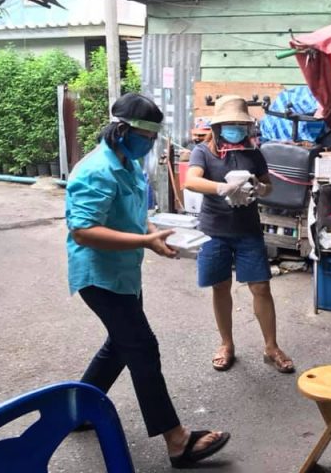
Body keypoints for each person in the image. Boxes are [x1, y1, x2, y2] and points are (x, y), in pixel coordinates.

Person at [66, 93, 230, 468]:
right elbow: (83, 231)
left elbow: (134, 214)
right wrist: (144, 241)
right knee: (141, 347)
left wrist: (153, 234)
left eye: (154, 136)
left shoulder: (128, 163)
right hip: (99, 276)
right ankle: (177, 441)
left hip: (124, 273)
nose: (150, 143)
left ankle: (78, 410)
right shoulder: (96, 171)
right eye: (145, 135)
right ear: (122, 130)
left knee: (120, 344)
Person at [184, 95, 294, 374]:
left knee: (261, 287)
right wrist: (222, 188)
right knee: (220, 286)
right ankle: (226, 344)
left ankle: (271, 347)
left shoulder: (254, 153)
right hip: (214, 230)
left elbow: (268, 186)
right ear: (218, 127)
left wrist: (259, 187)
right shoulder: (203, 152)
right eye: (229, 124)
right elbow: (191, 180)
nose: (235, 129)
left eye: (239, 124)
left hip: (248, 230)